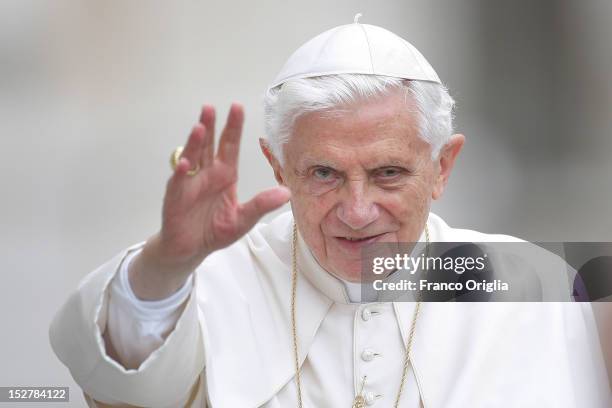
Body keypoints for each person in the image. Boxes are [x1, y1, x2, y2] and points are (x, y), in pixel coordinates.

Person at [49, 18, 611, 407]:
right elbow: (124, 385)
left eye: (388, 173)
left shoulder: (534, 282)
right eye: (324, 174)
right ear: (277, 166)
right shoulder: (208, 288)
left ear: (443, 166)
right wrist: (167, 265)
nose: (357, 210)